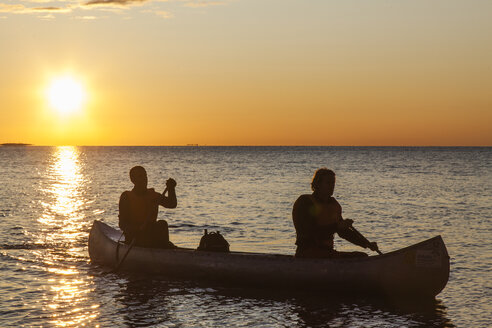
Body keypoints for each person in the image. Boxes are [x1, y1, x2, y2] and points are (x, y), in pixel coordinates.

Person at [292, 168, 378, 258]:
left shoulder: (333, 204)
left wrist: (367, 244)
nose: (332, 186)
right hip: (308, 252)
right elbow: (308, 231)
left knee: (362, 256)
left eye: (333, 183)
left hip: (328, 252)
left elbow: (343, 232)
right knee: (361, 257)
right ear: (317, 184)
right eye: (328, 183)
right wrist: (337, 226)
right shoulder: (305, 202)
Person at [118, 166, 177, 248]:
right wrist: (136, 229)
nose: (144, 179)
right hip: (135, 237)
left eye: (145, 176)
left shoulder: (154, 195)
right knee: (151, 228)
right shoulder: (126, 197)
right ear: (133, 180)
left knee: (162, 224)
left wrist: (171, 189)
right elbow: (122, 224)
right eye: (140, 176)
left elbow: (172, 204)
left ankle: (165, 248)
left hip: (150, 235)